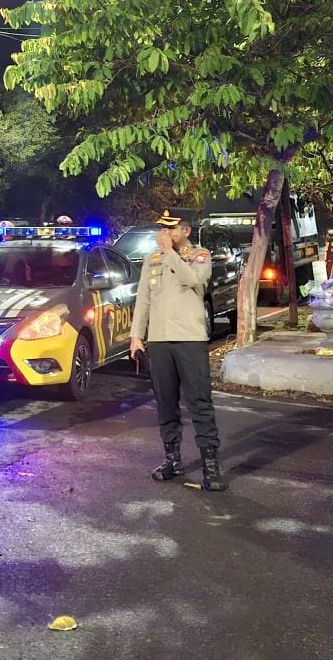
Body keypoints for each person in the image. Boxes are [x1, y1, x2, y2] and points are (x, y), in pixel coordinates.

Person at [128, 209, 226, 492]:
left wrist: (170, 253)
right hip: (159, 340)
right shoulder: (152, 259)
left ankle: (210, 467)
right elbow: (143, 299)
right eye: (163, 228)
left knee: (199, 403)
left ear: (186, 231)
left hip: (189, 340)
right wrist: (137, 335)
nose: (165, 233)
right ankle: (172, 460)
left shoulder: (200, 256)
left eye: (171, 229)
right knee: (165, 403)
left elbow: (194, 280)